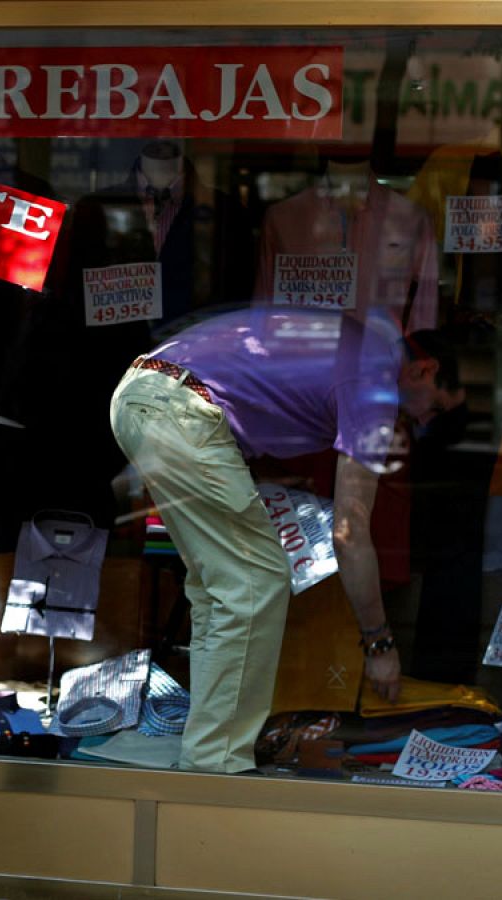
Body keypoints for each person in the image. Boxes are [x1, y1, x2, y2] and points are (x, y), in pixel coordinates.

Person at [107, 308, 464, 773]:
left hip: (144, 394)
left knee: (221, 589)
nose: (422, 423)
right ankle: (214, 768)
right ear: (424, 369)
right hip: (181, 409)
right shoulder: (376, 383)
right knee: (255, 581)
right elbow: (351, 531)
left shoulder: (359, 345)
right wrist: (379, 643)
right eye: (434, 408)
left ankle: (205, 754)